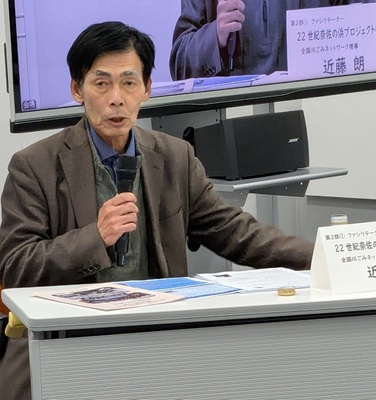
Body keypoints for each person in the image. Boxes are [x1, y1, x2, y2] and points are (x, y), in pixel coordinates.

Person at [0, 21, 313, 400]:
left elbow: (235, 232)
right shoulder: (34, 166)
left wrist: (324, 257)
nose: (117, 99)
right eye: (101, 83)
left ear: (147, 88)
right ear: (77, 89)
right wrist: (95, 237)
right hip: (65, 340)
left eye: (129, 83)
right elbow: (16, 267)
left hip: (155, 336)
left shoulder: (175, 156)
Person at [169, 0, 333, 80]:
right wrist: (215, 34)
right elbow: (180, 67)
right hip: (231, 112)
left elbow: (349, 24)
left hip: (314, 103)